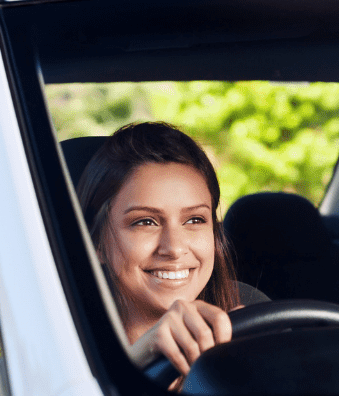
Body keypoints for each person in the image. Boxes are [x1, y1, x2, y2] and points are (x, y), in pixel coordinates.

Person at [77, 121, 265, 382]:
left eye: (195, 220)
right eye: (145, 222)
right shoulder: (57, 350)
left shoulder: (250, 308)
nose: (175, 249)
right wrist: (141, 356)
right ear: (96, 242)